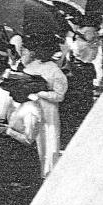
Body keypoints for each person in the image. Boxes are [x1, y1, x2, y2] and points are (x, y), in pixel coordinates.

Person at [17, 38, 67, 176]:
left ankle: (48, 172)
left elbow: (59, 95)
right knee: (39, 136)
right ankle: (42, 171)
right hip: (34, 106)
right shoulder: (31, 67)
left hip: (47, 107)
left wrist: (40, 92)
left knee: (48, 137)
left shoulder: (53, 70)